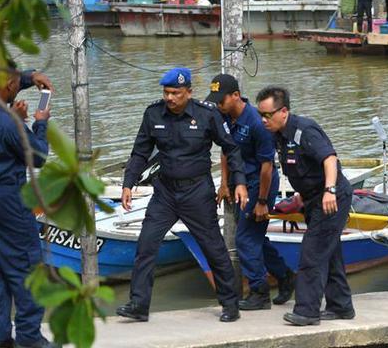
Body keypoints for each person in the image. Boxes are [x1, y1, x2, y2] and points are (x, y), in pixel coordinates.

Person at [116, 68, 248, 323]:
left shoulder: (207, 114)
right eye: (166, 92)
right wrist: (128, 183)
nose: (170, 98)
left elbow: (231, 149)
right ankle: (138, 305)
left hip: (197, 191)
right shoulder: (153, 113)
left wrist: (238, 182)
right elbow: (140, 152)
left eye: (175, 93)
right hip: (165, 192)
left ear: (189, 92)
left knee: (213, 248)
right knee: (146, 245)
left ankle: (230, 303)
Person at [256, 86, 354, 326]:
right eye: (261, 114)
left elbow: (329, 159)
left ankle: (307, 311)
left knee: (312, 253)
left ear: (284, 112)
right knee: (329, 253)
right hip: (312, 199)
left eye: (267, 115)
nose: (263, 120)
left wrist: (329, 191)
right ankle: (341, 306)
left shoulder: (304, 130)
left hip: (331, 197)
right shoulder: (278, 134)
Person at [205, 74, 295, 311]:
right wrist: (225, 183)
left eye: (221, 100)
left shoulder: (257, 122)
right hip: (239, 184)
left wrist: (263, 202)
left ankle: (259, 291)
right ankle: (285, 276)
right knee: (254, 238)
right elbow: (226, 149)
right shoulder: (224, 116)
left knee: (245, 238)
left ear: (235, 96)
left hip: (259, 183)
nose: (217, 104)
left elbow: (267, 166)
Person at [0, 62, 54, 348]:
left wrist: (30, 77)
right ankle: (30, 338)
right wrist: (38, 122)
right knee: (26, 267)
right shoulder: (8, 122)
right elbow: (38, 156)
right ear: (8, 86)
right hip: (9, 199)